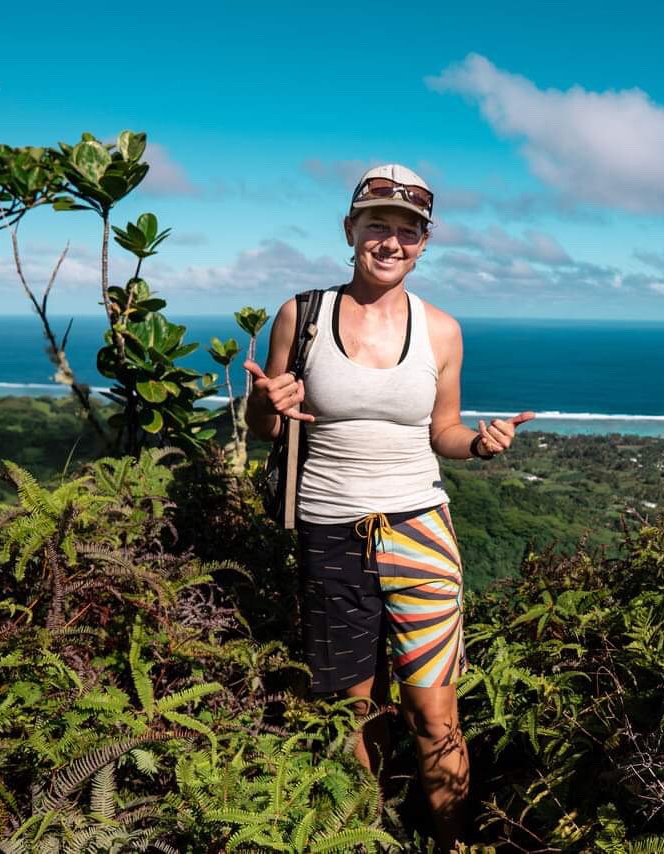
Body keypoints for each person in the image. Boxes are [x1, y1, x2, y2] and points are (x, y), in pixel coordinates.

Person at [243, 163, 534, 847]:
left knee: (435, 716)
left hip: (419, 531)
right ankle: (366, 837)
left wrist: (480, 445)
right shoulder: (301, 315)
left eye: (408, 231)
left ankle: (452, 843)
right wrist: (263, 403)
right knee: (355, 715)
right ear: (351, 230)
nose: (391, 242)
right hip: (330, 532)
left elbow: (443, 431)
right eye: (378, 225)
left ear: (424, 243)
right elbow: (269, 428)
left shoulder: (442, 331)